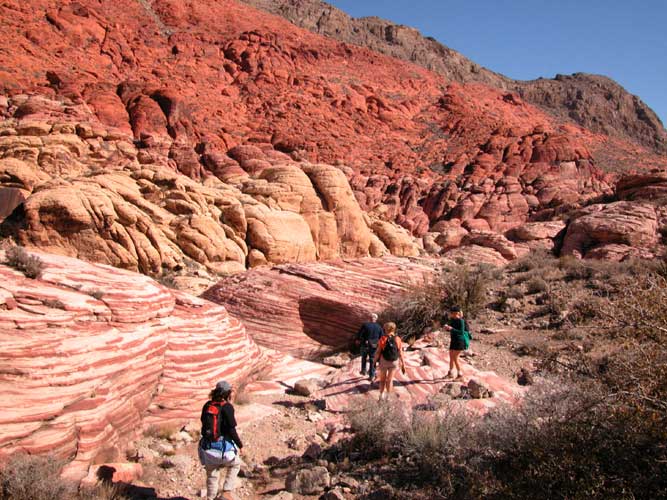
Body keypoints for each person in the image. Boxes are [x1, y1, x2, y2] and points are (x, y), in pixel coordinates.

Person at [200, 380, 243, 500]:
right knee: (235, 465)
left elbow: (203, 422)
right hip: (223, 450)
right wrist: (240, 445)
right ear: (227, 393)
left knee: (212, 476)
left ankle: (211, 498)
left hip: (208, 449)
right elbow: (231, 430)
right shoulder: (227, 407)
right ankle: (227, 491)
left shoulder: (207, 405)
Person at [374, 322, 406, 400]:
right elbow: (400, 352)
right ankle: (388, 396)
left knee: (382, 380)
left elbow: (378, 352)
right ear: (393, 329)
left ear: (386, 329)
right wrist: (403, 364)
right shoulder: (398, 339)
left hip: (384, 361)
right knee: (390, 380)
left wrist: (374, 362)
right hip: (394, 362)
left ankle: (381, 395)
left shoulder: (383, 338)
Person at [442, 306, 472, 380]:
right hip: (453, 340)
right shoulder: (452, 320)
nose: (450, 314)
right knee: (451, 357)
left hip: (460, 341)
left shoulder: (461, 321)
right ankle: (450, 373)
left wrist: (451, 329)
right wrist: (447, 328)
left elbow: (461, 332)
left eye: (451, 313)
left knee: (455, 358)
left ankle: (460, 374)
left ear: (455, 313)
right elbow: (452, 329)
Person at [356, 312, 384, 381]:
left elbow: (360, 334)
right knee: (372, 359)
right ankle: (372, 375)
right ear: (376, 319)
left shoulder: (365, 325)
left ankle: (363, 371)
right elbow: (382, 337)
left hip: (365, 344)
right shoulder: (379, 327)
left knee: (364, 357)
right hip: (374, 345)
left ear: (369, 318)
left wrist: (358, 340)